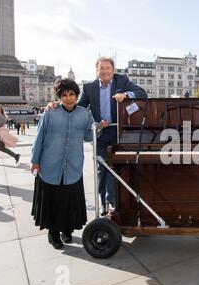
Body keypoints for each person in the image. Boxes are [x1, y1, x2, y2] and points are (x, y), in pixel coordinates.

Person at [48, 57, 148, 216]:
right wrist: (58, 105)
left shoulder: (122, 81)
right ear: (97, 71)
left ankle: (116, 202)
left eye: (108, 68)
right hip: (100, 133)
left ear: (113, 70)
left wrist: (126, 94)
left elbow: (142, 94)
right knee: (102, 168)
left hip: (119, 134)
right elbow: (78, 106)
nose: (105, 71)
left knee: (118, 168)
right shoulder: (89, 87)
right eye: (101, 68)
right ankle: (104, 204)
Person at [31, 79, 104, 249]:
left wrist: (98, 128)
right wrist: (35, 161)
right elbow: (39, 137)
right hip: (50, 165)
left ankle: (67, 230)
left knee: (69, 201)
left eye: (72, 94)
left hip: (73, 166)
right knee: (53, 202)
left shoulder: (84, 114)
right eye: (64, 95)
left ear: (77, 95)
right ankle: (53, 233)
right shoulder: (50, 113)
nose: (69, 98)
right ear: (59, 97)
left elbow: (88, 136)